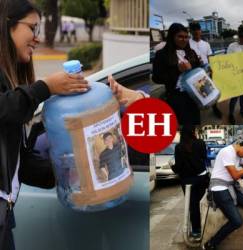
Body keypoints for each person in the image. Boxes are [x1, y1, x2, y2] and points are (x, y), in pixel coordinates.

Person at [0, 1, 146, 249]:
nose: (36, 38)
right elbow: (5, 108)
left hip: (5, 215)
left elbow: (19, 164)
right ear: (7, 24)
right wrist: (46, 87)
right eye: (33, 28)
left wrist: (70, 172)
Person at [152, 23, 202, 124]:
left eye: (186, 37)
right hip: (175, 97)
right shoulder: (162, 55)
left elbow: (197, 71)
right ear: (172, 37)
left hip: (193, 95)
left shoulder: (191, 52)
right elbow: (156, 78)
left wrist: (203, 69)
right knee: (181, 124)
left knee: (195, 122)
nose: (184, 39)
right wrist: (177, 70)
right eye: (180, 36)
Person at [174, 126, 210, 241]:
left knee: (192, 205)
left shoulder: (178, 147)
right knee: (203, 203)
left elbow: (178, 167)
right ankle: (206, 227)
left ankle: (196, 231)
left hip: (187, 180)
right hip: (202, 177)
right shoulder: (200, 143)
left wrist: (172, 167)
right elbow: (204, 157)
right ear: (193, 132)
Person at [189, 22, 222, 119]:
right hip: (194, 74)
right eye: (193, 29)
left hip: (207, 72)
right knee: (196, 93)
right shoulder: (188, 44)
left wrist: (212, 68)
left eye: (197, 29)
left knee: (211, 91)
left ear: (200, 31)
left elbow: (210, 57)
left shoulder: (206, 44)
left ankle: (215, 108)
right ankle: (196, 112)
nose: (196, 31)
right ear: (190, 31)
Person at [226, 27, 243, 124]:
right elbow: (228, 59)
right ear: (238, 36)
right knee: (235, 95)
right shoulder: (232, 46)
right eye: (241, 37)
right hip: (235, 74)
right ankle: (231, 114)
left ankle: (242, 110)